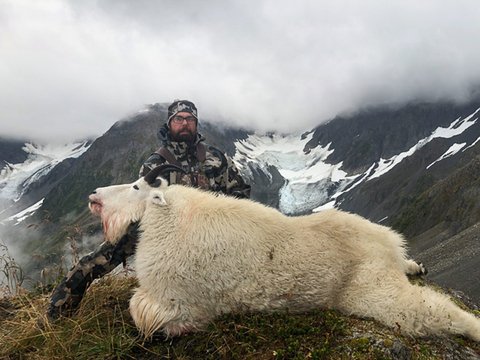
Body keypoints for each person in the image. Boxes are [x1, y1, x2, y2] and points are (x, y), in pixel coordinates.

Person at [46, 99, 251, 318]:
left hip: (212, 228)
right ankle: (58, 311)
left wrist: (219, 211)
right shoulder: (155, 163)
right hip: (162, 229)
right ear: (170, 123)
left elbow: (241, 193)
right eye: (179, 119)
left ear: (196, 123)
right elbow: (141, 202)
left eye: (190, 119)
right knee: (99, 259)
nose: (185, 123)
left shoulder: (216, 158)